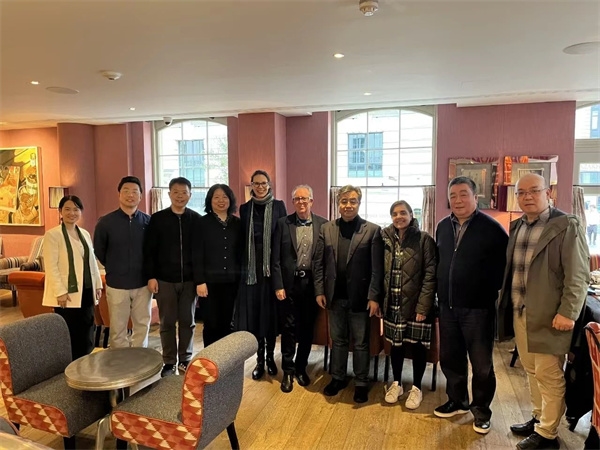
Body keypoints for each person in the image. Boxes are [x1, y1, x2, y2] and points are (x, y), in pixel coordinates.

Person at [498, 173, 589, 450]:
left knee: (549, 374)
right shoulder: (518, 227)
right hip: (521, 311)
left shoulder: (566, 225)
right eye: (521, 192)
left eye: (534, 191)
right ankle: (539, 419)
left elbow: (578, 274)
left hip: (550, 316)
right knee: (531, 370)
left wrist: (568, 312)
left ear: (548, 193)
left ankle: (548, 434)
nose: (527, 196)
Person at [435, 176, 508, 434]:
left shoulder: (492, 229)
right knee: (450, 358)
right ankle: (457, 401)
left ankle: (481, 411)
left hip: (478, 309)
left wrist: (485, 291)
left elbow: (503, 269)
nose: (458, 200)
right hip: (447, 307)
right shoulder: (442, 227)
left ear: (476, 198)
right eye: (453, 196)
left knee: (481, 364)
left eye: (463, 194)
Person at [313, 185, 383, 404]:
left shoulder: (372, 230)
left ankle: (361, 382)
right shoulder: (326, 229)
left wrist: (374, 296)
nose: (348, 205)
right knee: (338, 340)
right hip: (334, 297)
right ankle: (338, 377)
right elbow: (319, 263)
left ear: (359, 203)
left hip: (361, 298)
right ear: (338, 203)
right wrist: (319, 290)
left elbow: (377, 268)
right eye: (344, 201)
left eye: (353, 201)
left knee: (361, 342)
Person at [271, 184, 328, 393]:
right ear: (293, 202)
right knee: (288, 328)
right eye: (297, 199)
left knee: (307, 329)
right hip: (289, 285)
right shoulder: (282, 224)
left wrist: (323, 288)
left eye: (305, 198)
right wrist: (278, 285)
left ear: (312, 201)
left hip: (312, 285)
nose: (301, 202)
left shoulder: (323, 224)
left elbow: (325, 259)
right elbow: (275, 258)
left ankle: (301, 367)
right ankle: (287, 370)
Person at [143, 177, 202, 377]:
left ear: (190, 195)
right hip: (164, 280)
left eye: (184, 192)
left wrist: (199, 279)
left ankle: (185, 359)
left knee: (188, 321)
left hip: (189, 281)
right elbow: (149, 251)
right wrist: (151, 277)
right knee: (167, 322)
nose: (180, 196)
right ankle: (169, 361)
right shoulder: (158, 219)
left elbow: (200, 253)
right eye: (175, 192)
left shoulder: (196, 219)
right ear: (169, 194)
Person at [381, 200, 436, 410]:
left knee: (417, 346)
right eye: (394, 214)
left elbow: (430, 275)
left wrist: (423, 307)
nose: (399, 217)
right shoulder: (385, 238)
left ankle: (416, 387)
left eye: (403, 213)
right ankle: (397, 383)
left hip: (416, 305)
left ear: (412, 215)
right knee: (396, 345)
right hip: (393, 304)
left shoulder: (424, 239)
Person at [234, 170, 287, 380]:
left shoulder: (279, 206)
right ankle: (259, 360)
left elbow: (282, 239)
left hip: (270, 272)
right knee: (255, 319)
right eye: (256, 183)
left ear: (269, 184)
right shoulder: (245, 208)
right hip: (251, 274)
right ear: (251, 185)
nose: (260, 187)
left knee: (269, 318)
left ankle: (270, 358)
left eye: (263, 183)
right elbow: (242, 240)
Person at [42, 195, 103, 360]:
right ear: (60, 211)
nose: (72, 213)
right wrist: (60, 291)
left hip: (86, 289)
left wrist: (98, 284)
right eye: (67, 209)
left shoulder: (84, 234)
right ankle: (71, 365)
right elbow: (51, 266)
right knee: (70, 330)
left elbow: (91, 262)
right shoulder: (53, 235)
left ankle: (86, 362)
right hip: (67, 293)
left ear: (80, 211)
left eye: (76, 209)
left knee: (87, 327)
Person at [94, 176, 152, 348]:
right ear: (119, 194)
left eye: (135, 191)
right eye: (126, 191)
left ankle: (140, 357)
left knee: (142, 325)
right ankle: (120, 361)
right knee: (118, 328)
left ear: (140, 196)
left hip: (142, 284)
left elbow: (153, 251)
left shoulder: (148, 222)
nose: (130, 195)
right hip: (117, 283)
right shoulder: (105, 222)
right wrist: (115, 266)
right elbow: (99, 251)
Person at [196, 183, 242, 347]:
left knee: (228, 323)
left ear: (230, 200)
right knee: (211, 324)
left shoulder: (237, 224)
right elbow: (197, 253)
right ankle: (210, 359)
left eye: (224, 197)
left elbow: (241, 253)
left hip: (232, 282)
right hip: (209, 283)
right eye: (216, 197)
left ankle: (225, 358)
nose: (221, 200)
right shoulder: (202, 223)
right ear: (210, 200)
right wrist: (200, 281)